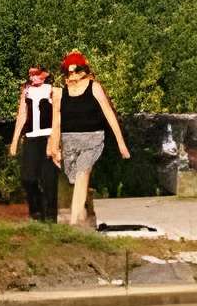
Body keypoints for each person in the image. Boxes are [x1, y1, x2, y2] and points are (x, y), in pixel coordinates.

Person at [51, 51, 130, 230]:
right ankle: (83, 215)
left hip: (92, 139)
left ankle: (73, 223)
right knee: (74, 177)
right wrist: (55, 146)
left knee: (81, 174)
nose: (73, 74)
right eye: (69, 71)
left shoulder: (94, 87)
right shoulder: (60, 93)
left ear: (83, 70)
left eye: (76, 70)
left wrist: (121, 143)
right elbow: (56, 121)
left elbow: (109, 113)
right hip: (70, 141)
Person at [11, 65, 59, 222]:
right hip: (31, 137)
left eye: (37, 74)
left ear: (44, 75)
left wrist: (55, 142)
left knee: (49, 179)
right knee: (28, 178)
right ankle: (36, 209)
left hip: (47, 137)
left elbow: (57, 117)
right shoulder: (26, 91)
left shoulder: (52, 90)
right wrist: (14, 141)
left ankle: (51, 217)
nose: (33, 78)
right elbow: (21, 115)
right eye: (31, 75)